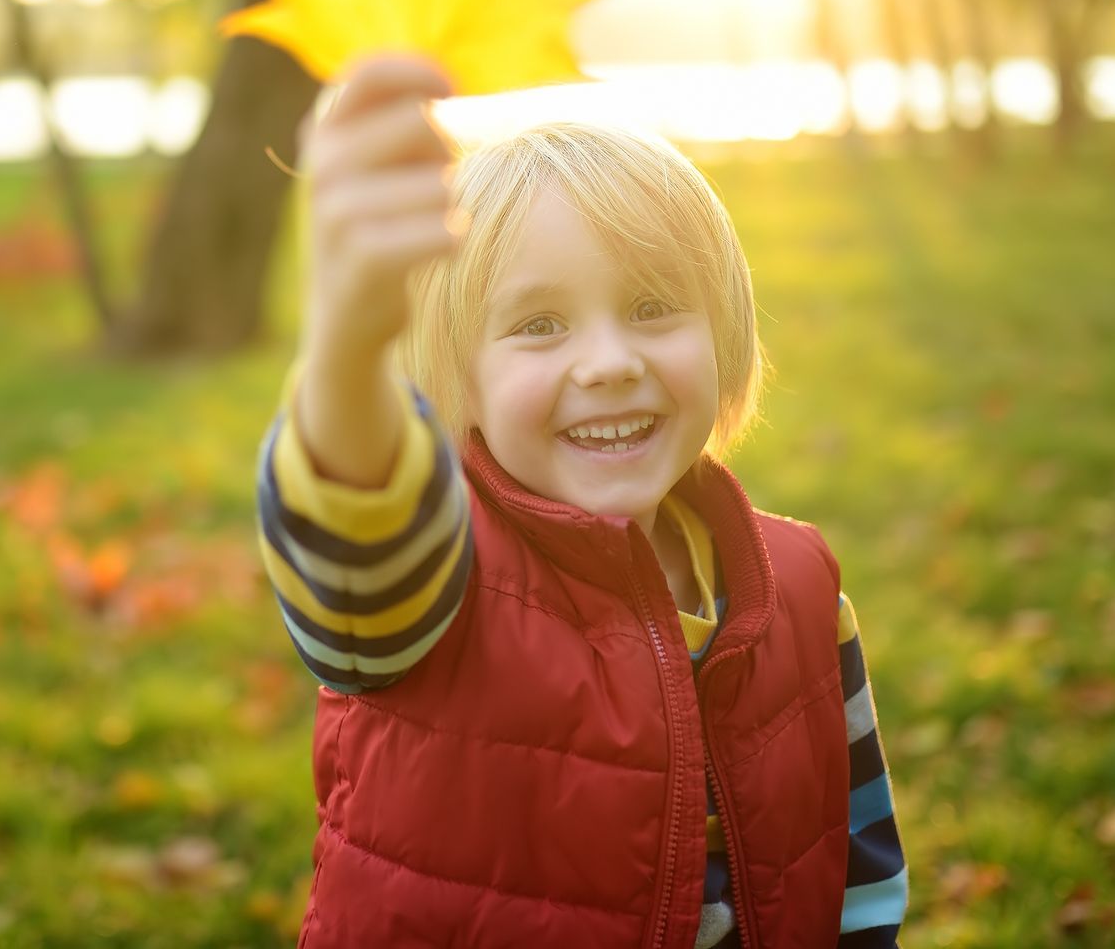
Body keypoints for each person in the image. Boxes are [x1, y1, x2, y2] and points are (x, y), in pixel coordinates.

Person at [255, 54, 909, 947]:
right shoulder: (430, 588)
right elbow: (353, 511)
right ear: (462, 377)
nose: (607, 361)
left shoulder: (798, 587)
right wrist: (346, 349)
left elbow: (858, 872)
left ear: (723, 331)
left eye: (650, 307)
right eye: (539, 325)